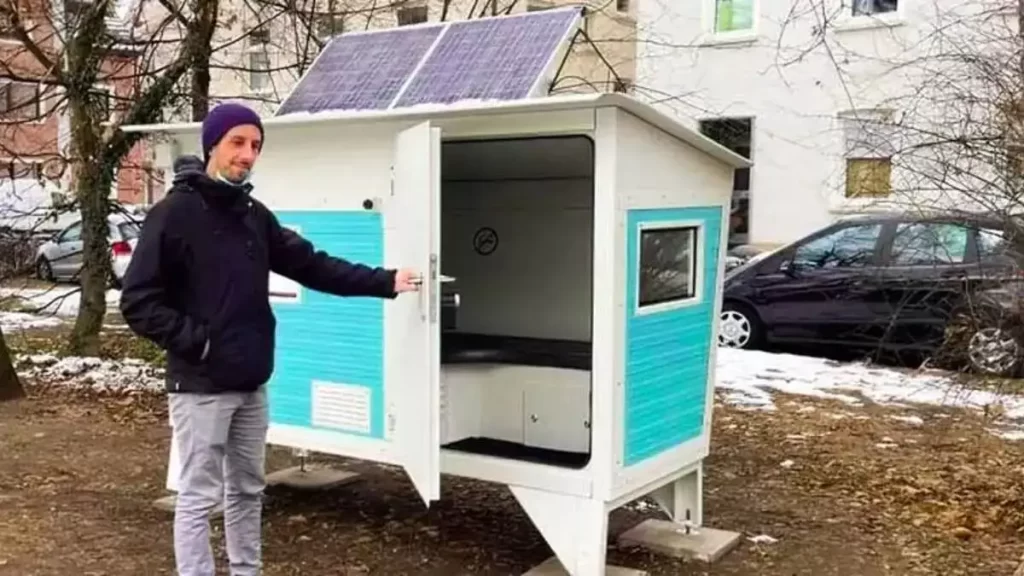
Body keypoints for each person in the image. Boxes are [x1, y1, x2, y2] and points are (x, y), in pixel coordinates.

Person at [118, 102, 419, 576]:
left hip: (251, 383)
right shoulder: (172, 215)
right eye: (237, 142)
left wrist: (385, 280)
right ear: (213, 145)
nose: (247, 154)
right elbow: (137, 301)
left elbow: (313, 265)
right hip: (200, 385)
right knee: (199, 496)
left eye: (255, 145)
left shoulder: (254, 215)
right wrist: (198, 341)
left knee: (248, 490)